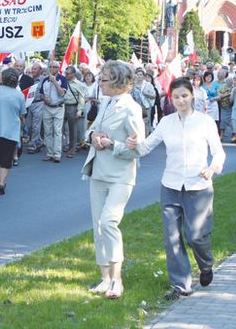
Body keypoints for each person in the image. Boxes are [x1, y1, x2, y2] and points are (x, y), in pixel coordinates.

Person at [126, 77, 226, 300]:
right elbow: (146, 147)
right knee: (172, 238)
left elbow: (218, 152)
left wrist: (212, 168)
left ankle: (206, 264)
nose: (181, 100)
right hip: (170, 186)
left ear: (192, 96)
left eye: (184, 96)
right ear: (171, 98)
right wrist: (133, 145)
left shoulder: (205, 122)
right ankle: (181, 285)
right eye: (176, 97)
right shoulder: (166, 122)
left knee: (196, 236)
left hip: (198, 186)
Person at [81, 60, 144, 299]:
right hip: (98, 172)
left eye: (104, 79)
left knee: (109, 222)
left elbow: (139, 148)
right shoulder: (106, 102)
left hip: (121, 175)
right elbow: (90, 130)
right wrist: (93, 135)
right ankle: (104, 278)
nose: (99, 82)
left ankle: (117, 281)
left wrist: (113, 145)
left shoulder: (131, 108)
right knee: (98, 226)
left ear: (118, 81)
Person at [0, 68, 26, 195]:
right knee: (7, 157)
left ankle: (0, 180)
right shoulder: (20, 95)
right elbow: (22, 113)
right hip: (11, 130)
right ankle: (2, 182)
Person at [40, 60, 68, 162]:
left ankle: (57, 154)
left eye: (55, 67)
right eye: (51, 67)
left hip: (58, 107)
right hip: (47, 107)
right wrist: (44, 98)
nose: (52, 69)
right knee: (47, 131)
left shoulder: (62, 79)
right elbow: (41, 94)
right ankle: (49, 153)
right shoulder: (44, 80)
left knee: (57, 131)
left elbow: (62, 93)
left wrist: (55, 81)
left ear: (58, 68)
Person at [62, 66, 86, 158]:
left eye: (68, 73)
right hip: (63, 106)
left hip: (73, 107)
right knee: (60, 128)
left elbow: (81, 98)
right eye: (66, 73)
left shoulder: (79, 84)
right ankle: (65, 145)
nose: (66, 75)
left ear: (73, 74)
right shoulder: (63, 82)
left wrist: (79, 111)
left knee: (73, 130)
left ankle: (72, 149)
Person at [25, 62, 45, 154]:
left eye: (35, 69)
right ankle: (39, 141)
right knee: (28, 125)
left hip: (39, 103)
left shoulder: (43, 80)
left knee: (36, 126)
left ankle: (32, 145)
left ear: (40, 70)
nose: (33, 70)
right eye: (32, 68)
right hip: (29, 104)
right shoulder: (29, 80)